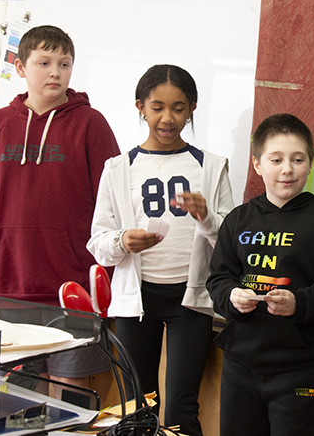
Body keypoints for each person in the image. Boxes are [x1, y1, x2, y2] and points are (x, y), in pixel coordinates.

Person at [0, 25, 121, 391]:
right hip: (9, 287)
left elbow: (113, 207)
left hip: (75, 291)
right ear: (20, 67)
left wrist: (103, 282)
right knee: (17, 399)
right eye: (44, 62)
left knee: (70, 396)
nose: (55, 72)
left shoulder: (90, 125)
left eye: (65, 64)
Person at [87, 64, 233, 436]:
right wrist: (123, 241)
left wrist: (205, 217)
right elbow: (98, 243)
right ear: (140, 107)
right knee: (138, 404)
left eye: (179, 108)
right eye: (157, 107)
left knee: (182, 406)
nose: (168, 118)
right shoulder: (118, 168)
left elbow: (231, 242)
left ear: (192, 109)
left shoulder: (211, 167)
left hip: (191, 299)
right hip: (137, 300)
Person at [206, 113, 314, 436]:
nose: (287, 169)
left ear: (310, 163)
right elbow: (218, 278)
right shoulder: (237, 220)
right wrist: (231, 297)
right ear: (258, 164)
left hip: (302, 372)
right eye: (276, 159)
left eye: (297, 159)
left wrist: (298, 304)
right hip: (240, 366)